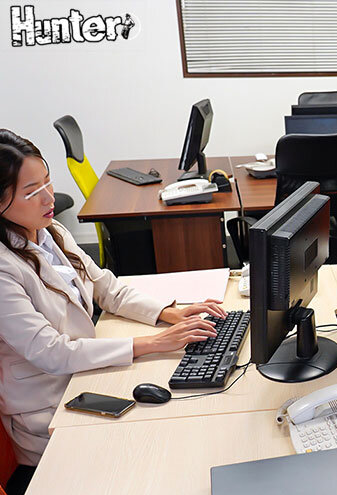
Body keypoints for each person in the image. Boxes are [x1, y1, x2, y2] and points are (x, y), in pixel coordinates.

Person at [0, 129, 223, 475]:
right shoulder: (4, 269)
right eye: (32, 192)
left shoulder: (50, 232)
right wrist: (153, 343)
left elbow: (107, 289)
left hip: (82, 378)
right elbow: (52, 352)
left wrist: (169, 314)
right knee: (158, 447)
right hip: (48, 411)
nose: (49, 198)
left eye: (48, 182)